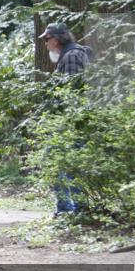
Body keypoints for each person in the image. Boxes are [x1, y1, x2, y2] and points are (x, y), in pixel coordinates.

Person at [39, 22, 91, 214]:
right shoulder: (72, 54)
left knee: (60, 162)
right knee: (66, 163)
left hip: (72, 122)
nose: (45, 43)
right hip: (73, 121)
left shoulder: (70, 57)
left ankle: (71, 210)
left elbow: (72, 94)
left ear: (57, 39)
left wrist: (65, 122)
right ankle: (74, 209)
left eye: (47, 39)